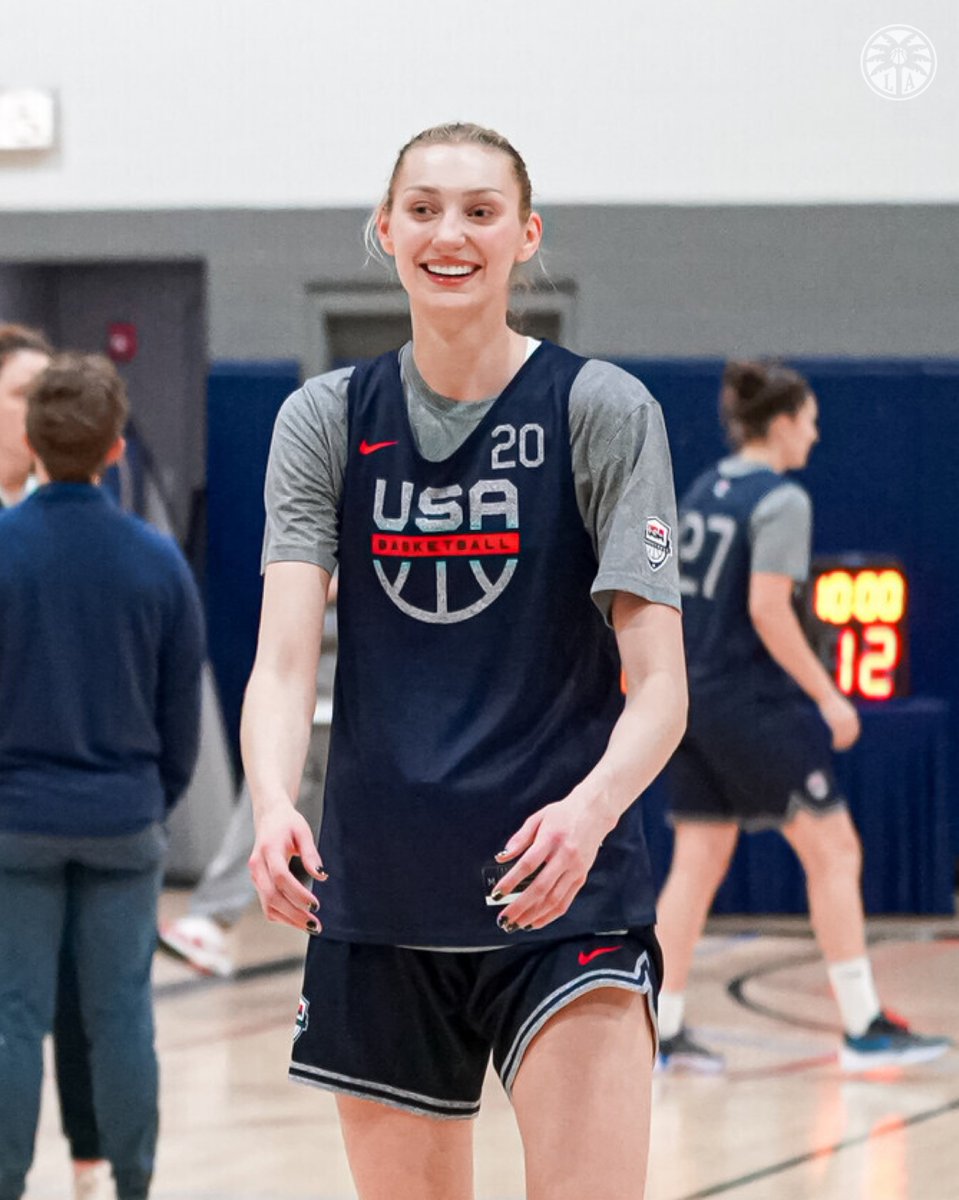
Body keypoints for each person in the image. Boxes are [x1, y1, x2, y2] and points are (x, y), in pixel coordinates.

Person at [242, 122, 687, 1200]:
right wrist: (267, 804)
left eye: (481, 211)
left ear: (524, 236)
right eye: (426, 209)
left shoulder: (601, 409)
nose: (452, 233)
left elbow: (661, 688)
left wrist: (587, 817)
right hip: (378, 894)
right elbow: (283, 661)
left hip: (561, 894)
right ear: (385, 231)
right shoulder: (325, 419)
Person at [655, 359, 952, 1073]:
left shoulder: (703, 488)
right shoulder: (779, 499)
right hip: (748, 703)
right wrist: (826, 693)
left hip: (691, 696)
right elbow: (764, 609)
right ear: (782, 422)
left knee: (697, 863)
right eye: (811, 422)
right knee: (835, 850)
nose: (815, 437)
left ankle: (657, 1029)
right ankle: (862, 1026)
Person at [0, 353, 205, 1200]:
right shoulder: (158, 562)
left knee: (13, 1018)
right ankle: (130, 1181)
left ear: (32, 443)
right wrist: (150, 803)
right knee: (121, 1013)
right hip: (124, 821)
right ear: (117, 448)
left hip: (15, 824)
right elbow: (179, 718)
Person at [0, 324, 112, 1200]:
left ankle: (91, 1163)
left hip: (54, 816)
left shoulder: (83, 529)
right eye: (22, 393)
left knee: (83, 1006)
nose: (41, 411)